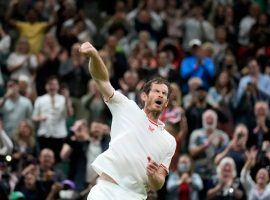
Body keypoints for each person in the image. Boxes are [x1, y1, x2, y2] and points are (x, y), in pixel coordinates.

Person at [79, 42, 176, 200]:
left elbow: (158, 183)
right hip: (106, 190)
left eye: (164, 94)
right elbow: (102, 80)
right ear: (144, 96)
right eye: (156, 91)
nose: (160, 95)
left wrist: (152, 176)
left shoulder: (169, 141)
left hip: (134, 196)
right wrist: (94, 56)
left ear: (166, 103)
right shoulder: (126, 107)